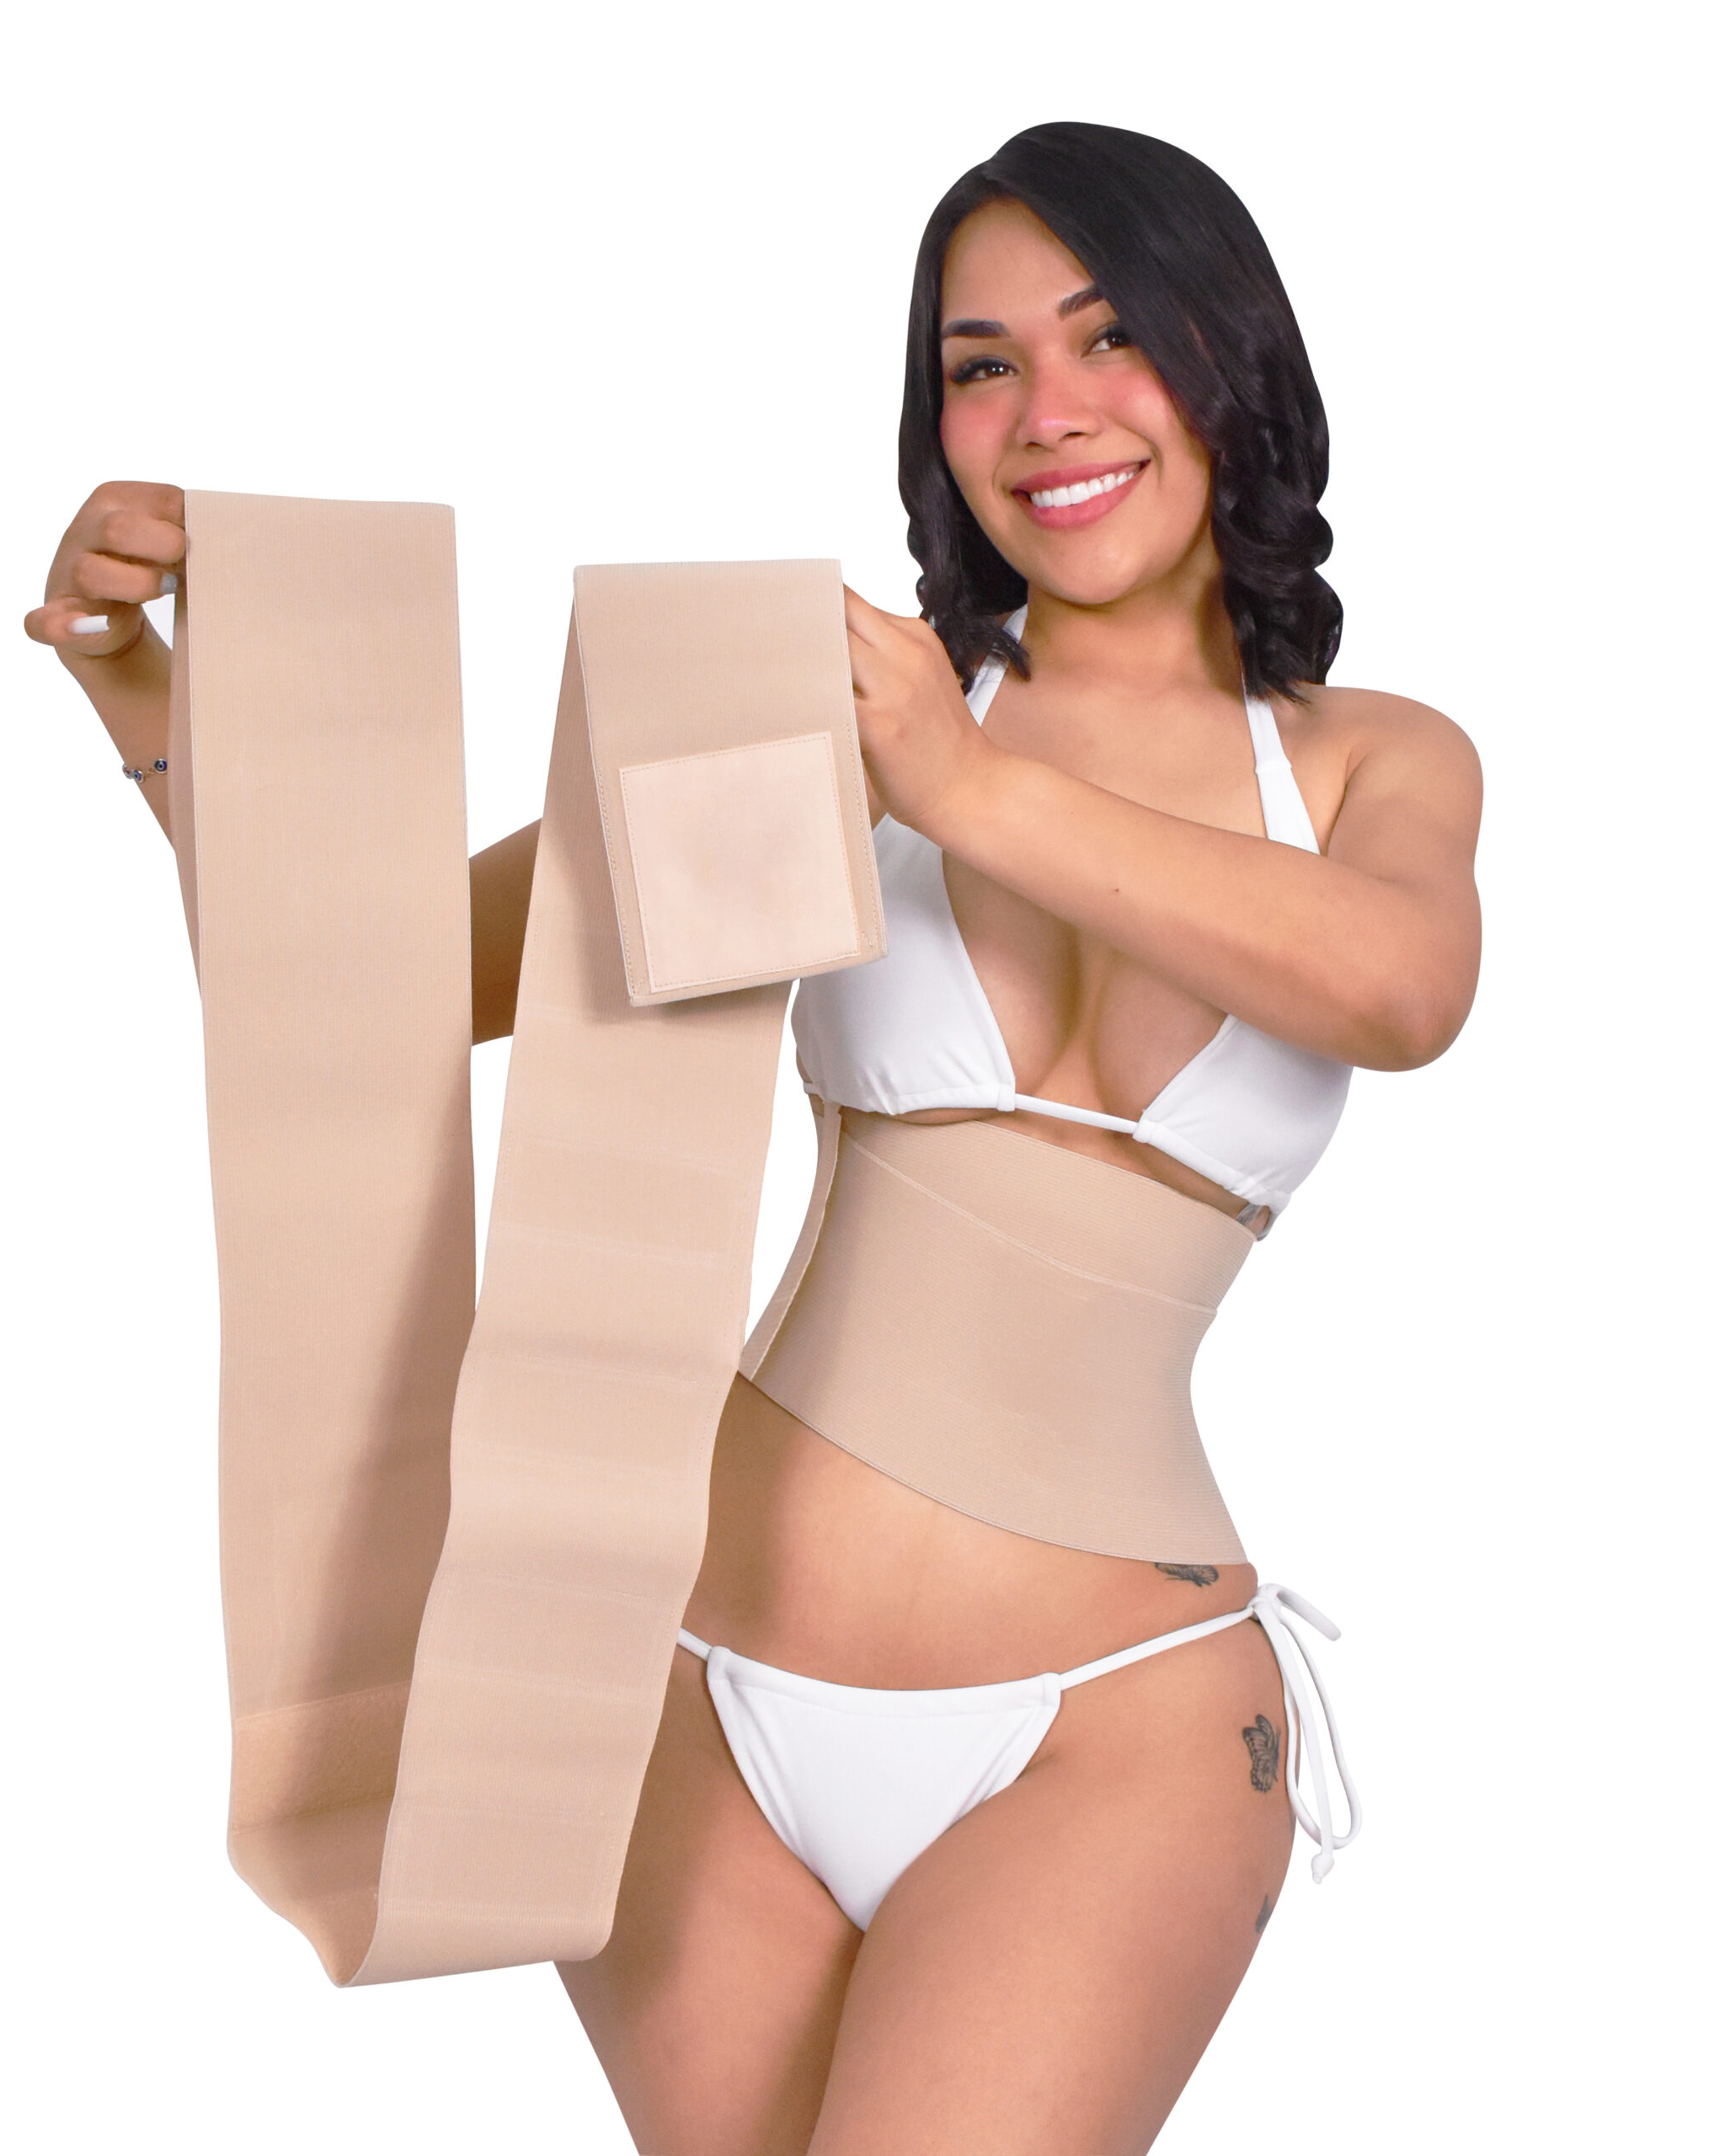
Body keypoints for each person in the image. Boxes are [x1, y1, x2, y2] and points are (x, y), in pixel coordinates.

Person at [26, 121, 1481, 2156]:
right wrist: (143, 692)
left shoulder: (1365, 760)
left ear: (1226, 357)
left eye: (1110, 338)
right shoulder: (834, 721)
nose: (1048, 412)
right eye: (979, 364)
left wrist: (956, 784)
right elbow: (368, 990)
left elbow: (1402, 990)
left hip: (1112, 1719)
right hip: (677, 1679)